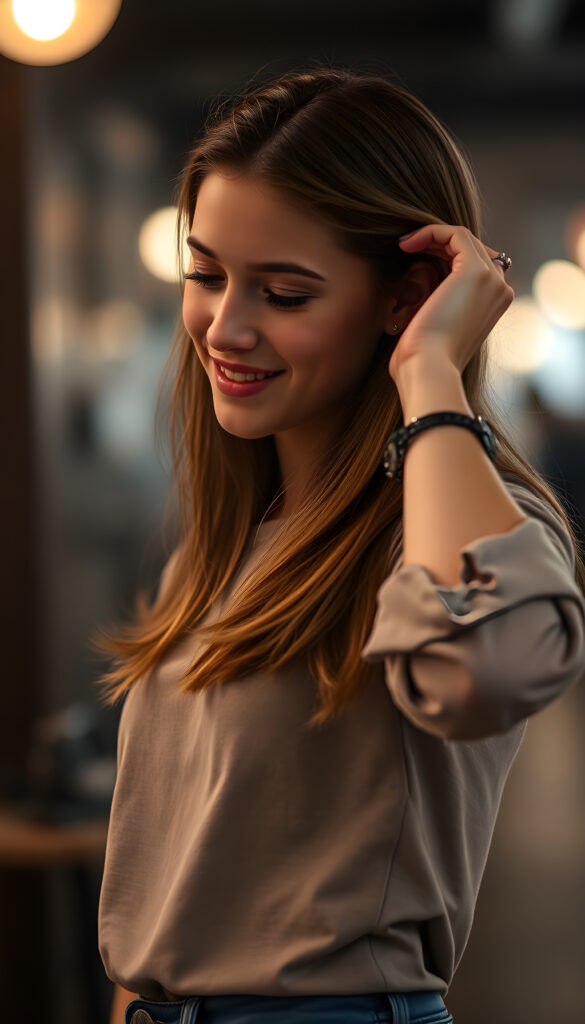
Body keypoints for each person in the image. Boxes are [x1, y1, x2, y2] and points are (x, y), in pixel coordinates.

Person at [94, 67, 585, 1024]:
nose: (224, 327)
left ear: (406, 298)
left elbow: (483, 674)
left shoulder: (454, 530)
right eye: (206, 275)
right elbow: (173, 885)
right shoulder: (223, 548)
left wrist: (430, 371)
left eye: (283, 292)